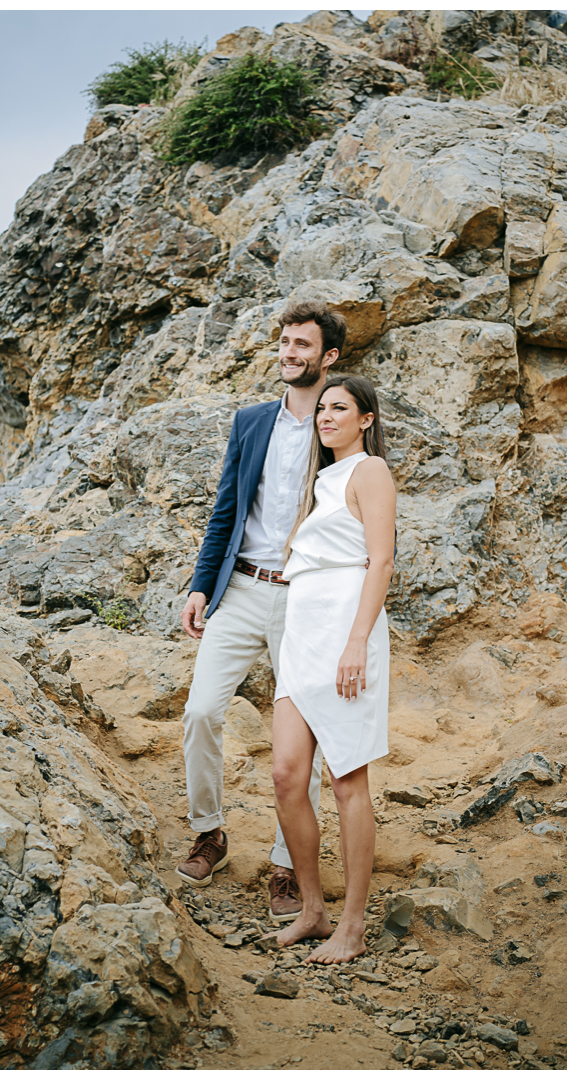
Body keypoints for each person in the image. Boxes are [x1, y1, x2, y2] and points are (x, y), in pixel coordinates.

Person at [176, 301, 348, 922]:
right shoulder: (251, 421)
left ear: (328, 357)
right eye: (285, 342)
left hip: (305, 600)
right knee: (199, 711)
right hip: (242, 589)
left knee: (303, 742)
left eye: (303, 344)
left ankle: (285, 864)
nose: (289, 353)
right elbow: (226, 510)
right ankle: (209, 833)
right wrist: (201, 585)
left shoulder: (338, 427)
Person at [269, 374, 396, 963]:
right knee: (288, 776)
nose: (325, 416)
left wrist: (356, 642)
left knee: (347, 781)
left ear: (365, 418)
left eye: (339, 408)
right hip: (303, 631)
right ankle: (314, 909)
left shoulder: (369, 472)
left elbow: (381, 559)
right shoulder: (321, 479)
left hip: (347, 629)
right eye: (321, 407)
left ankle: (352, 923)